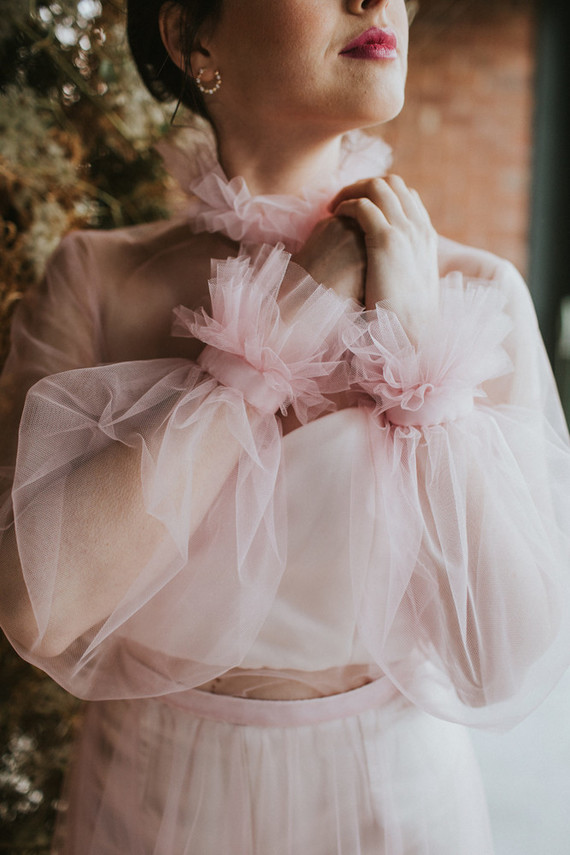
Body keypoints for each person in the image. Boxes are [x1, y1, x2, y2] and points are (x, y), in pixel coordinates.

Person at [1, 0, 569, 852]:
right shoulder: (96, 280)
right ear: (192, 35)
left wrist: (420, 360)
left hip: (398, 804)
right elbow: (35, 607)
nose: (378, 0)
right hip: (157, 807)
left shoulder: (476, 294)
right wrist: (277, 330)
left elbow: (505, 658)